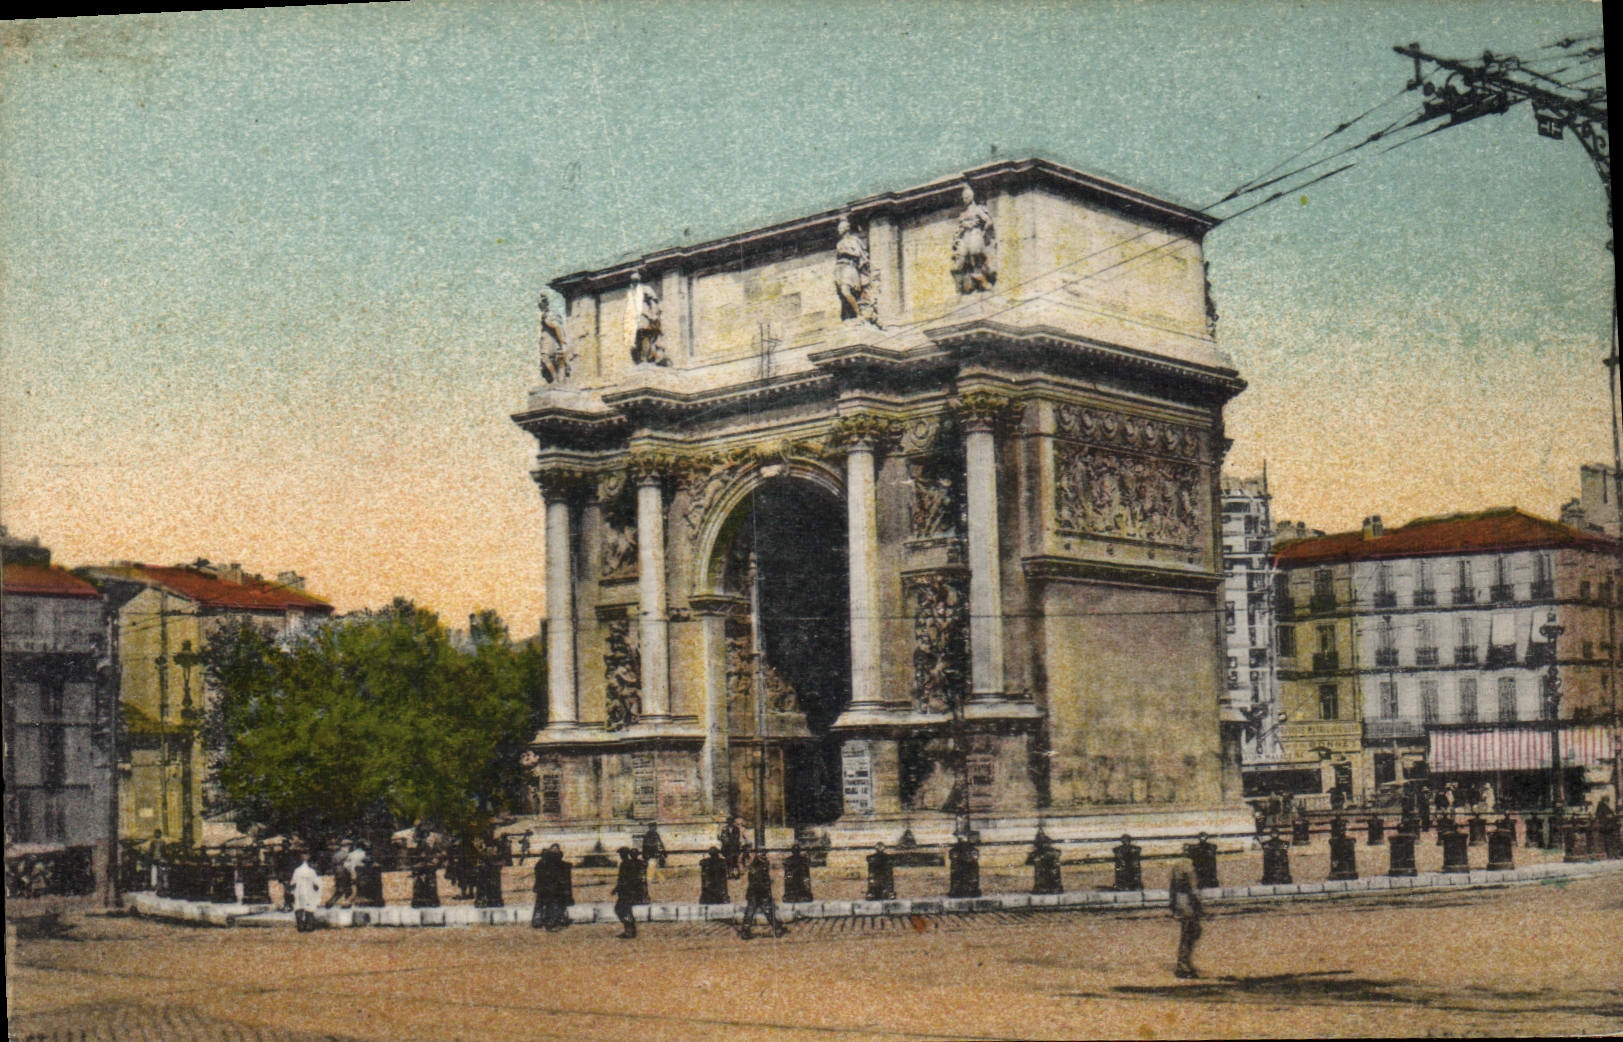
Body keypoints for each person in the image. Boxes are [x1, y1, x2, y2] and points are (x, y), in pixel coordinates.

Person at [738, 848, 788, 940]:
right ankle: (777, 928)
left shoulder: (760, 864)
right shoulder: (759, 865)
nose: (764, 856)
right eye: (762, 854)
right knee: (764, 911)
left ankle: (746, 930)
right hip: (759, 892)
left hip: (755, 892)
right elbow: (760, 880)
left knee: (752, 911)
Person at [1169, 867, 1205, 979]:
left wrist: (1174, 906)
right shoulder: (1189, 868)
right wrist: (1201, 907)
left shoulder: (1177, 867)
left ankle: (1184, 963)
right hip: (1189, 905)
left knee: (1186, 934)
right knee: (1191, 934)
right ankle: (1184, 964)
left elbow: (1172, 890)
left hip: (1180, 903)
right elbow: (1194, 890)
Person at [532, 844, 573, 931]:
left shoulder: (562, 865)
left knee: (553, 904)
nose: (555, 851)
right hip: (547, 887)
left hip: (555, 888)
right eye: (553, 849)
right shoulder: (543, 863)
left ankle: (553, 921)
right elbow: (539, 875)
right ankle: (547, 921)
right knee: (546, 904)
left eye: (556, 849)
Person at [610, 847, 645, 939]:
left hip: (626, 892)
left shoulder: (625, 864)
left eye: (621, 854)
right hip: (630, 891)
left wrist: (616, 889)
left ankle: (629, 931)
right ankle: (631, 931)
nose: (621, 856)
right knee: (627, 911)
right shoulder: (634, 863)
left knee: (620, 910)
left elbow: (623, 879)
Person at [291, 851, 322, 933]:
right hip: (309, 892)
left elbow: (293, 882)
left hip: (299, 891)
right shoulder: (312, 871)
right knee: (309, 908)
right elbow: (316, 884)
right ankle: (309, 925)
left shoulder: (297, 870)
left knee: (299, 907)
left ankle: (300, 926)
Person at [323, 840, 354, 908]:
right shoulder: (347, 855)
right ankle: (346, 904)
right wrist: (351, 873)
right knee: (348, 890)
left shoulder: (336, 854)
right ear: (348, 846)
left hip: (337, 874)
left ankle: (330, 903)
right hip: (344, 873)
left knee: (340, 890)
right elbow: (347, 866)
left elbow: (332, 865)